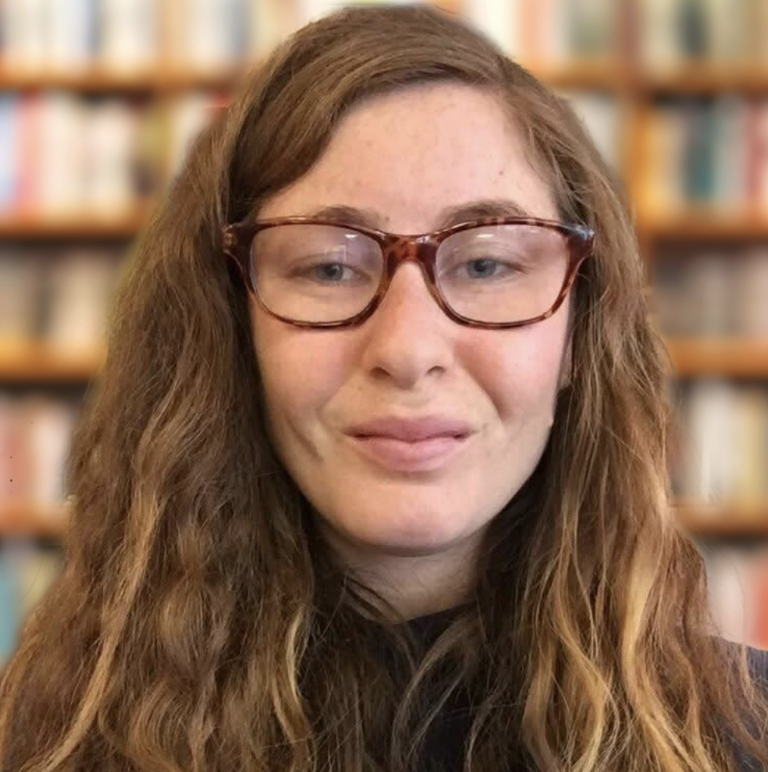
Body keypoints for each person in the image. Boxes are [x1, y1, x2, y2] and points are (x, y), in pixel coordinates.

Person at [0, 5, 767, 771]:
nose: (406, 349)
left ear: (580, 330)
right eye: (329, 267)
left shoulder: (749, 735)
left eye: (486, 264)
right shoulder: (43, 740)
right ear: (231, 331)